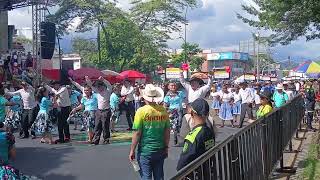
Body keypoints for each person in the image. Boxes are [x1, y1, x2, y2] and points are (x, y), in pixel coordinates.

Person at [129, 84, 169, 180]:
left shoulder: (141, 111)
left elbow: (137, 133)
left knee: (146, 176)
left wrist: (132, 150)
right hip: (160, 149)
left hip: (145, 150)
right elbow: (167, 132)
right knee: (159, 177)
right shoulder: (163, 111)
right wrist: (166, 147)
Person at [176, 98, 215, 173]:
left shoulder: (193, 135)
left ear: (192, 114)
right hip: (207, 170)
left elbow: (184, 160)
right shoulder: (209, 131)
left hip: (195, 173)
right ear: (207, 114)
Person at [86, 76, 112, 145]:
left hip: (106, 110)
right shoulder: (97, 92)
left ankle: (106, 139)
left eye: (99, 87)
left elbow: (109, 85)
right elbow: (91, 85)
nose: (98, 88)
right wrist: (88, 80)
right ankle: (96, 140)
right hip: (99, 110)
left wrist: (103, 80)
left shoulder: (108, 91)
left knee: (105, 126)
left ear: (103, 86)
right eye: (97, 87)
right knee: (97, 125)